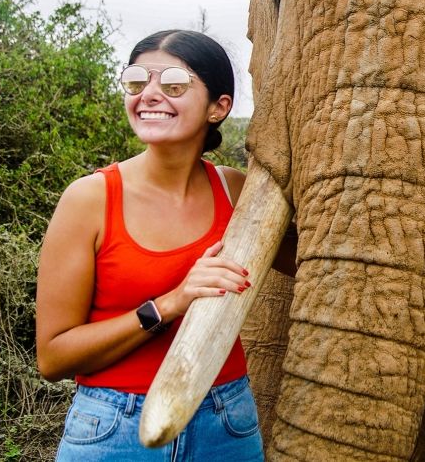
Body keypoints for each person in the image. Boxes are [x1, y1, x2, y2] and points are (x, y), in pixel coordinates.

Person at [36, 29, 264, 461]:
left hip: (226, 418)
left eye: (174, 84)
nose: (150, 94)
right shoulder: (89, 199)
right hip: (113, 428)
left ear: (220, 108)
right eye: (138, 81)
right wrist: (170, 304)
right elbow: (53, 357)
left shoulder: (235, 190)